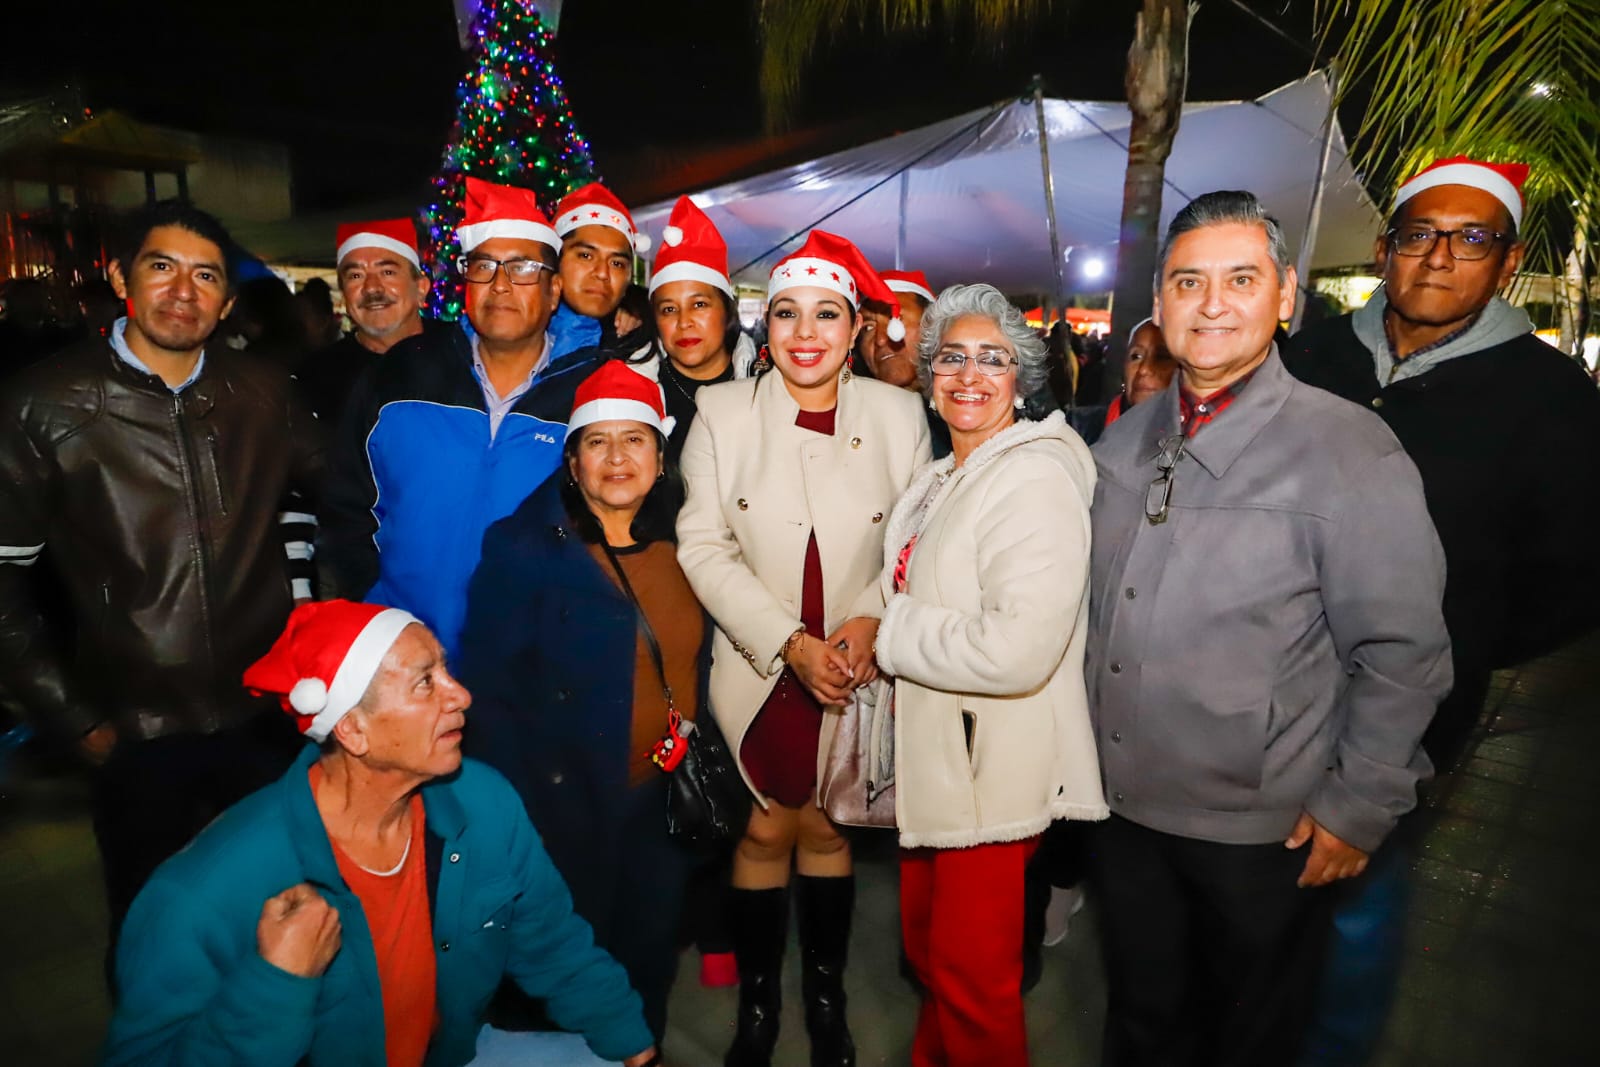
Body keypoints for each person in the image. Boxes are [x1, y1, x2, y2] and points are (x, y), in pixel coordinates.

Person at [1086, 190, 1453, 1066]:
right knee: (1141, 1019)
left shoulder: (1349, 451)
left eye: (1240, 279)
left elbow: (1404, 654)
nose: (1211, 303)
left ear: (1286, 295)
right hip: (1121, 815)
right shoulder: (1119, 447)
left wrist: (1358, 807)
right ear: (1160, 304)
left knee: (1249, 1035)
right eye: (1187, 282)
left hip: (1262, 833)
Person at [1283, 157, 1600, 1066]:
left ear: (1506, 262)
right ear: (1386, 249)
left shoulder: (1551, 398)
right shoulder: (1313, 357)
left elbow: (1576, 576)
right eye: (1419, 234)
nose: (1438, 258)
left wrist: (1466, 641)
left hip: (1413, 705)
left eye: (1471, 239)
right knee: (1259, 883)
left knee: (1359, 890)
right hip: (1268, 678)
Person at [102, 599, 660, 1067]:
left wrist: (633, 1046)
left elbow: (551, 941)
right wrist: (274, 985)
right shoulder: (200, 894)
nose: (459, 695)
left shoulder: (482, 800)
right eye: (425, 683)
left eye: (446, 669)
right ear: (352, 729)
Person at [0, 199, 324, 952]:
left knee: (284, 913)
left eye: (205, 275)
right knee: (155, 931)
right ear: (121, 278)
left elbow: (349, 496)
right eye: (161, 266)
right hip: (135, 731)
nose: (184, 290)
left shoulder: (263, 393)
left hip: (264, 715)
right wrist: (72, 716)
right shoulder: (45, 403)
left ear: (228, 301)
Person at [676, 230, 931, 1067]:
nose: (805, 330)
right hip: (761, 664)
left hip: (855, 666)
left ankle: (825, 999)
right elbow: (703, 546)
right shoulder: (720, 412)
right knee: (760, 830)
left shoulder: (899, 415)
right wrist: (788, 644)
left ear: (856, 324)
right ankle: (759, 1008)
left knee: (827, 829)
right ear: (767, 322)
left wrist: (866, 621)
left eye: (826, 312)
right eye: (786, 312)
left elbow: (915, 542)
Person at [868, 283, 1108, 1066]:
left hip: (988, 773)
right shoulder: (950, 473)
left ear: (1022, 375)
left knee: (973, 988)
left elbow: (1017, 650)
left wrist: (890, 632)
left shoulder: (1030, 478)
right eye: (951, 358)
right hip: (938, 761)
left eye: (992, 359)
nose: (969, 375)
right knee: (937, 965)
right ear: (929, 372)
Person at [459, 360, 705, 1041]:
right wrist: (521, 811)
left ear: (661, 455)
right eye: (598, 441)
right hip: (560, 803)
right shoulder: (521, 545)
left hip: (659, 794)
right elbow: (486, 689)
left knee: (647, 956)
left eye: (635, 439)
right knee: (564, 967)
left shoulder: (695, 542)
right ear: (572, 460)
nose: (617, 457)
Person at [321, 177, 596, 660]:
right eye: (484, 266)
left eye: (524, 268)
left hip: (536, 673)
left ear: (554, 292)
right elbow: (347, 508)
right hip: (406, 659)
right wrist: (376, 618)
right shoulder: (402, 374)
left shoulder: (589, 394)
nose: (501, 284)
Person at [294, 218, 443, 425]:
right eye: (356, 276)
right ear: (344, 295)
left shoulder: (463, 354)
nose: (372, 288)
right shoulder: (315, 378)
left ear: (421, 288)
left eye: (387, 272)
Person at [641, 196, 756, 463]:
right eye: (669, 309)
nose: (684, 322)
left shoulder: (766, 383)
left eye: (699, 304)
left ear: (727, 309)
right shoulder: (638, 388)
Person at [548, 182, 652, 358]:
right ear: (556, 260)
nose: (603, 273)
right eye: (586, 256)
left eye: (617, 263)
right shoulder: (517, 331)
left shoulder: (642, 350)